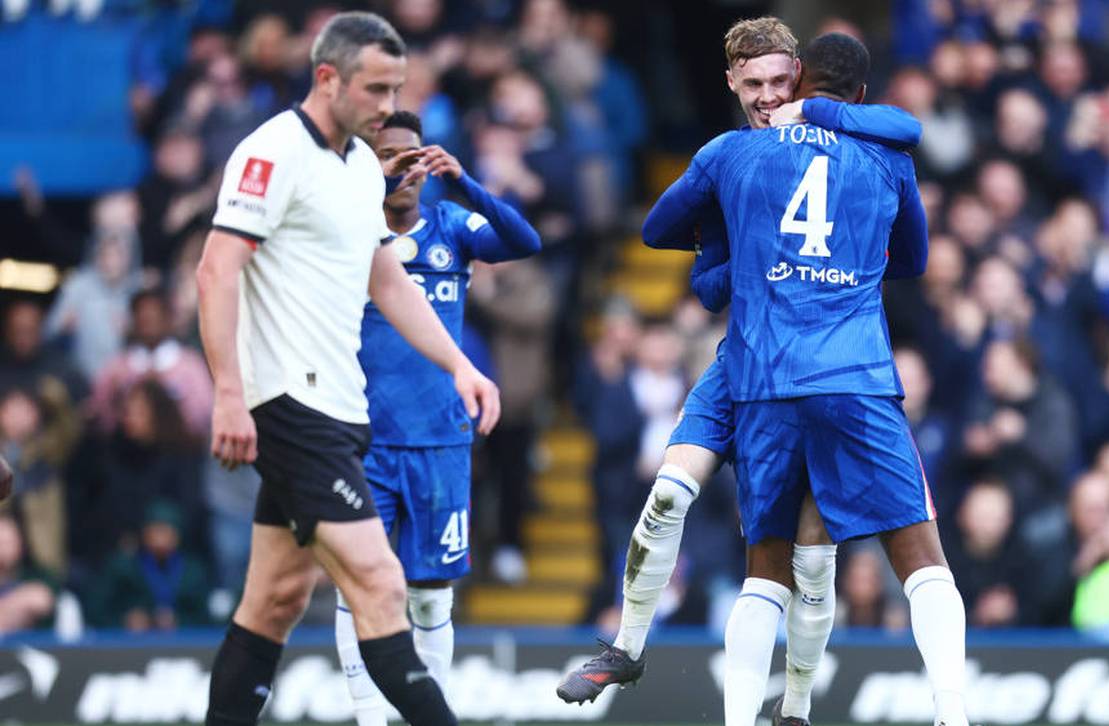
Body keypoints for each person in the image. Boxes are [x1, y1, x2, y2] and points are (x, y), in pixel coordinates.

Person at [556, 18, 923, 723]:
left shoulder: (845, 149)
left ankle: (795, 706)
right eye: (753, 84)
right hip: (745, 364)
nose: (767, 97)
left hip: (817, 366)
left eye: (782, 83)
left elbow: (903, 136)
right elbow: (672, 245)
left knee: (810, 566)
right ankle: (626, 647)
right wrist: (725, 252)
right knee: (667, 495)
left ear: (802, 82)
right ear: (730, 82)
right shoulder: (730, 157)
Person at [642, 31, 969, 726]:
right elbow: (911, 258)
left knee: (770, 567)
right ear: (858, 94)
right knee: (921, 556)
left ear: (797, 81)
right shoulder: (885, 153)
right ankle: (953, 714)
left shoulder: (736, 153)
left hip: (767, 379)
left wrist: (743, 252)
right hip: (855, 373)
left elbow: (659, 230)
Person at [196, 12, 498, 726]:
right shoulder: (271, 153)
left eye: (396, 88)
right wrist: (230, 397)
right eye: (375, 88)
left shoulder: (362, 167)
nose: (388, 105)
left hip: (339, 407)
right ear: (326, 78)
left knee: (273, 602)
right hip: (288, 406)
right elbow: (216, 271)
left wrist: (460, 365)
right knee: (381, 582)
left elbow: (385, 279)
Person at [335, 109, 540, 726]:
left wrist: (468, 181)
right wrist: (369, 183)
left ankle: (429, 716)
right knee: (361, 587)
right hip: (364, 441)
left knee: (429, 597)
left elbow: (525, 241)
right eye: (389, 155)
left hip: (440, 442)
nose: (407, 167)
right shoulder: (350, 230)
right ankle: (369, 718)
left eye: (414, 154)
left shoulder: (452, 225)